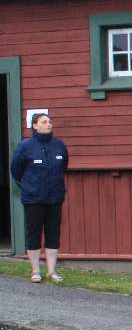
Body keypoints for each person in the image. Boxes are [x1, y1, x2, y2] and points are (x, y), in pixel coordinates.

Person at [10, 112, 69, 284]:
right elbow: (16, 170)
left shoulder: (59, 145)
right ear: (34, 126)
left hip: (55, 197)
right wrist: (30, 186)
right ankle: (36, 271)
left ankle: (52, 271)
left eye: (50, 121)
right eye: (44, 122)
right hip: (33, 198)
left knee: (53, 233)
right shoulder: (25, 146)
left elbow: (63, 166)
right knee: (34, 234)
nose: (49, 124)